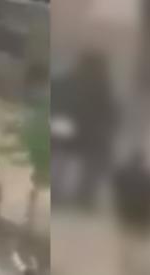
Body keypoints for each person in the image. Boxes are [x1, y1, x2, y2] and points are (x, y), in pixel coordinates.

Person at [51, 50, 119, 209]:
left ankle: (59, 191)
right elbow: (112, 115)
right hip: (86, 136)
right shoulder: (102, 88)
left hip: (63, 132)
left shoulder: (64, 81)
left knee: (59, 150)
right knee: (100, 153)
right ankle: (85, 194)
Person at [112, 151, 150, 275]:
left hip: (126, 211)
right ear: (144, 162)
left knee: (128, 237)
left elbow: (116, 190)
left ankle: (126, 261)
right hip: (144, 214)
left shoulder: (122, 174)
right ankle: (146, 265)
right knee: (144, 241)